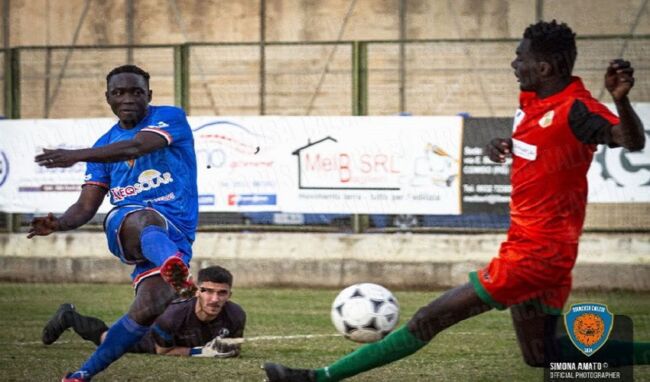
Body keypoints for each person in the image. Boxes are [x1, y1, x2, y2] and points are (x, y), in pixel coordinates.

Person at [262, 20, 648, 382]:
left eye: (521, 56)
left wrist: (621, 101)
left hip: (535, 258)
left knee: (429, 318)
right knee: (541, 353)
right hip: (536, 250)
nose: (514, 63)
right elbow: (549, 148)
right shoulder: (534, 102)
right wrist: (511, 146)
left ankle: (317, 378)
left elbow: (629, 140)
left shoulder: (577, 109)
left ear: (544, 67)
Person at [28, 64, 199, 381]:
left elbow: (138, 145)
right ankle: (176, 270)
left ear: (149, 95)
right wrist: (59, 224)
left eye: (136, 91)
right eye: (119, 92)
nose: (128, 98)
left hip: (176, 236)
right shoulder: (103, 146)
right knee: (144, 216)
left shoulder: (170, 117)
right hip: (126, 227)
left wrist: (77, 154)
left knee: (149, 308)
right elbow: (85, 207)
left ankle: (82, 374)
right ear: (108, 97)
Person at [42, 266, 245, 358]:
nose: (214, 299)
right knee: (106, 338)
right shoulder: (172, 316)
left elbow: (233, 348)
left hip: (184, 339)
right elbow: (162, 351)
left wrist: (228, 350)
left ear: (230, 294)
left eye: (221, 293)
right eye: (207, 291)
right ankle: (68, 316)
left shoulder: (236, 314)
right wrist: (201, 352)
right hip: (150, 338)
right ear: (197, 291)